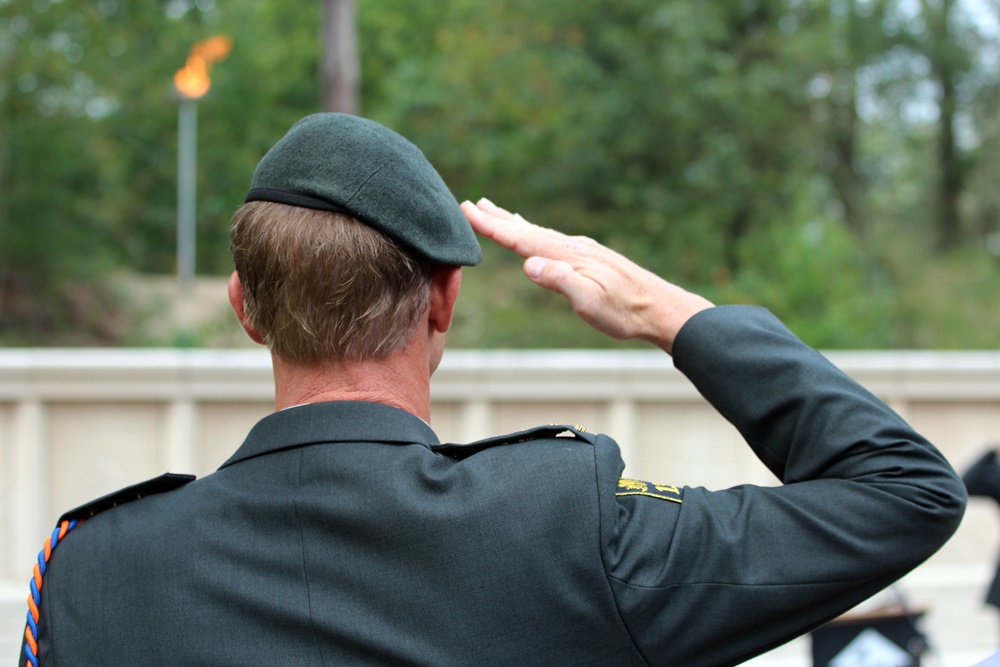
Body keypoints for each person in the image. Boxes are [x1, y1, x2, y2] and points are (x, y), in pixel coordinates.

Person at [20, 113, 966, 667]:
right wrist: (667, 313)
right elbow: (904, 492)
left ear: (245, 307)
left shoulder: (89, 574)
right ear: (446, 297)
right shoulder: (565, 529)